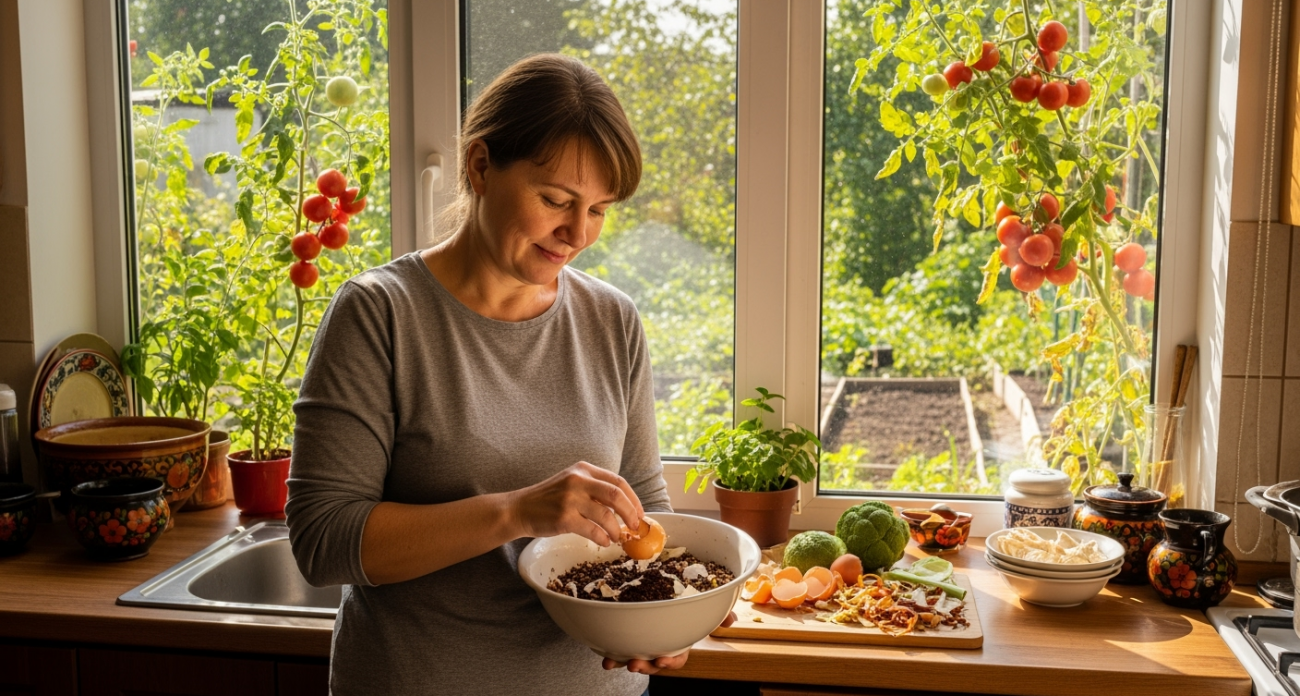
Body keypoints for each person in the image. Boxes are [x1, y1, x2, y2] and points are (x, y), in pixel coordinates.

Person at [286, 53, 719, 695]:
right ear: (480, 166)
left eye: (599, 209)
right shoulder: (380, 314)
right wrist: (516, 512)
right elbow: (323, 540)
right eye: (556, 200)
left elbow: (644, 506)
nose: (577, 232)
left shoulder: (612, 320)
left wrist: (672, 620)